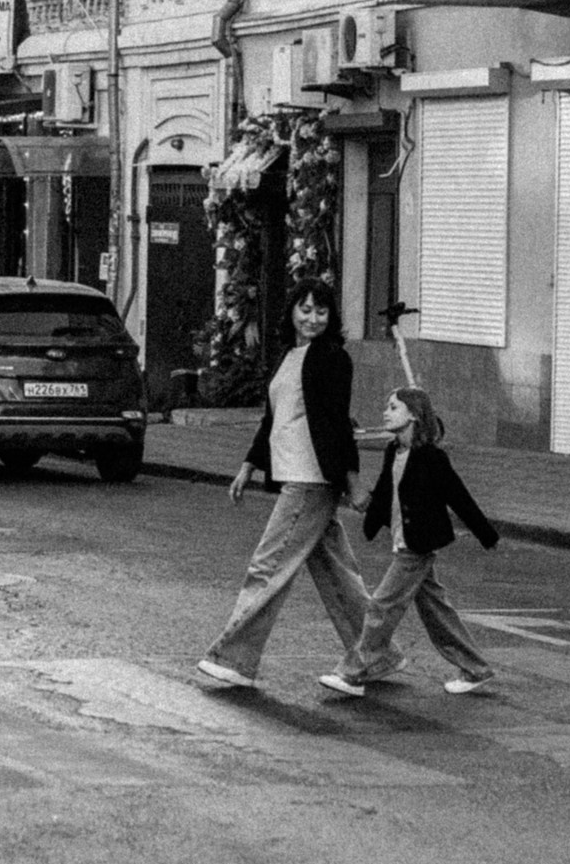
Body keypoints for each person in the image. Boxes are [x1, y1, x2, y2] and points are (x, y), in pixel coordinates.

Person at [196, 280, 375, 690]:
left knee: (268, 566)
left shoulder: (332, 358)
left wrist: (353, 481)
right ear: (292, 311)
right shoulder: (289, 357)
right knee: (336, 575)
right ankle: (376, 653)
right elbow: (273, 420)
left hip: (311, 478)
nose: (312, 318)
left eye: (321, 312)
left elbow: (336, 423)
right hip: (295, 472)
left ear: (331, 318)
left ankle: (235, 658)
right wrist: (248, 465)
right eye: (305, 309)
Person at [319, 386, 500, 700]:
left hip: (417, 546)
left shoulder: (431, 457)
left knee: (381, 606)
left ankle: (353, 673)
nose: (385, 413)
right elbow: (388, 491)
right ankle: (476, 668)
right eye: (387, 407)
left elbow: (458, 496)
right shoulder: (394, 451)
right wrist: (371, 515)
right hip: (404, 541)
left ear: (413, 415)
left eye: (393, 407)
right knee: (437, 613)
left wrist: (486, 534)